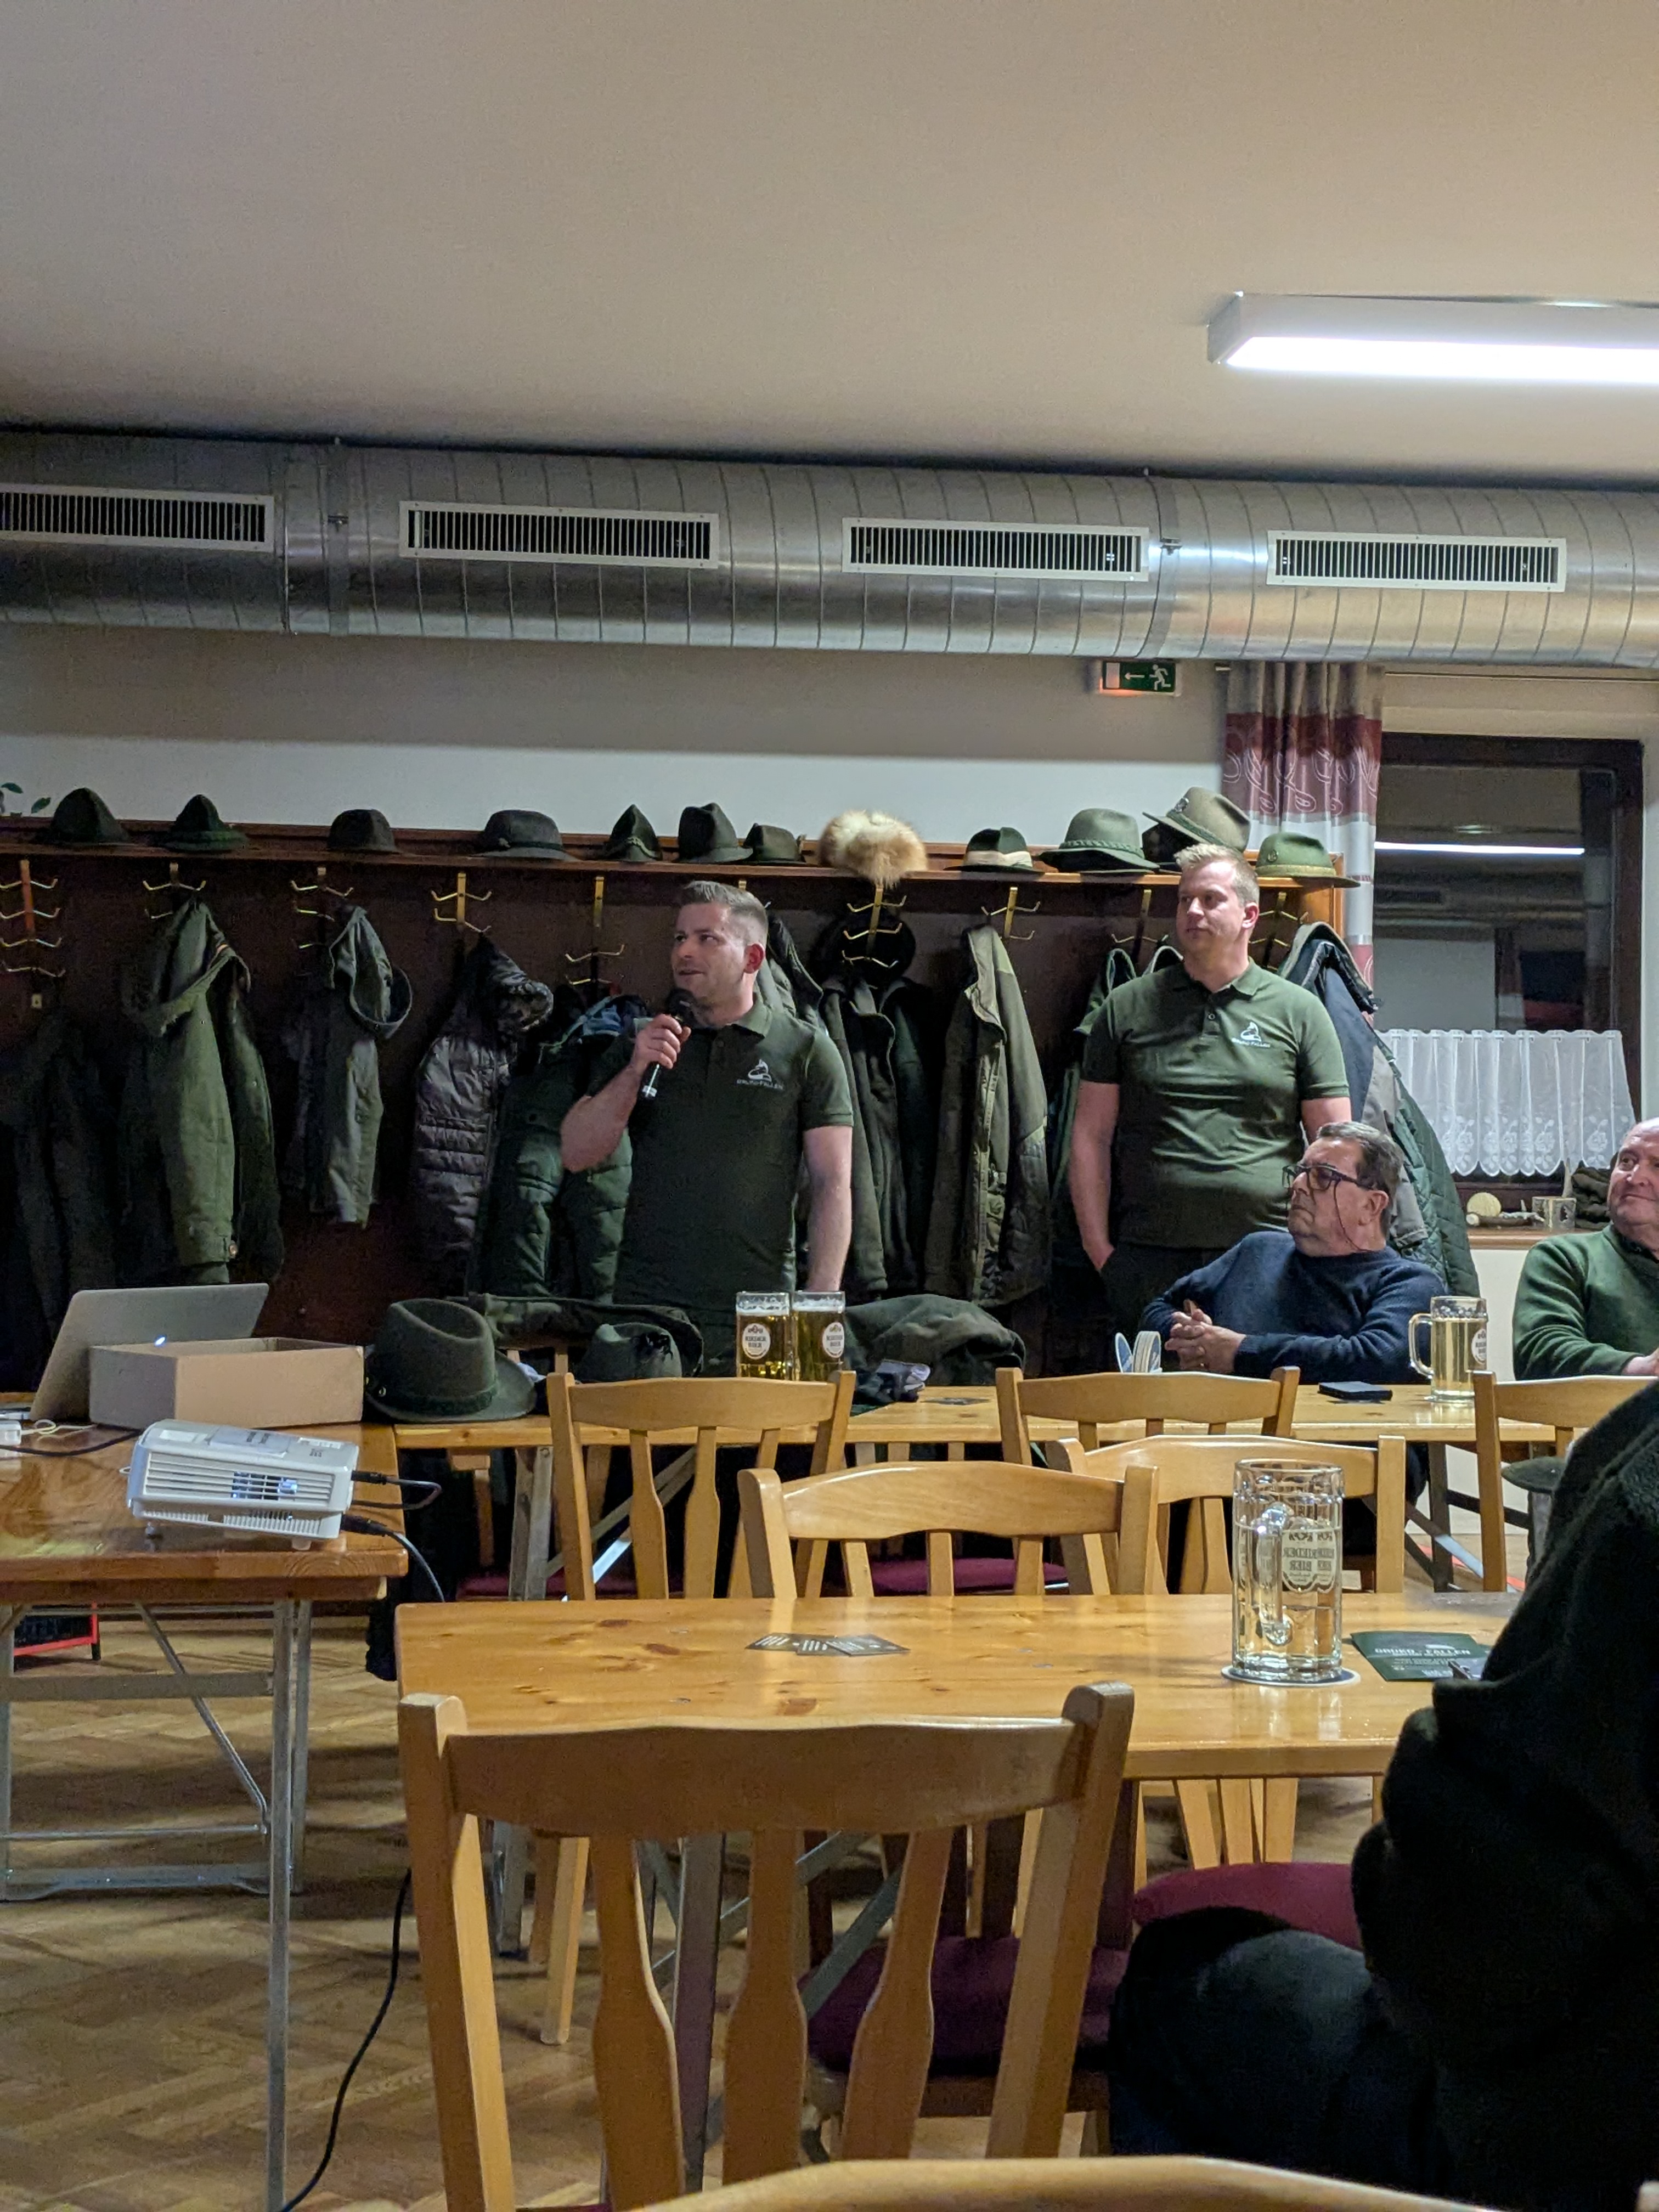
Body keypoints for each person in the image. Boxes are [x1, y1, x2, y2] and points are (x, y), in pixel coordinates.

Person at [1105, 1382, 1659, 2210]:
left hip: (1571, 2142)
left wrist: (1406, 1831)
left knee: (1176, 1977)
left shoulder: (1639, 1505)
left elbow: (1464, 1953)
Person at [560, 881, 853, 1366]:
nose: (685, 952)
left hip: (759, 1311)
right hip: (647, 1309)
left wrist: (818, 1308)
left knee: (758, 1421)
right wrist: (633, 1072)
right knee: (639, 1419)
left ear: (753, 958)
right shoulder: (643, 1043)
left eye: (707, 938)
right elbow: (576, 1153)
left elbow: (832, 1183)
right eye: (679, 938)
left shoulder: (806, 1051)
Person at [1068, 842, 1353, 1340]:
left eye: (1210, 899)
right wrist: (1101, 1252)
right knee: (1149, 1391)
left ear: (1249, 916)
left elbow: (1336, 1147)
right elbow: (1090, 1136)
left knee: (1257, 1386)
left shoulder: (1299, 1012)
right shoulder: (1126, 1007)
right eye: (1184, 900)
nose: (1193, 911)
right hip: (1148, 1258)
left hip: (1266, 1256)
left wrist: (1328, 1252)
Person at [1141, 1122, 1444, 1383]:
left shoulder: (1408, 1282)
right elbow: (1157, 1310)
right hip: (1223, 1427)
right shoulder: (1258, 1250)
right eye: (1300, 1173)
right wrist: (1189, 1338)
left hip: (1333, 1432)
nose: (1298, 1185)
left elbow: (1378, 1359)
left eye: (1323, 1176)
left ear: (1372, 1205)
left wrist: (1241, 1352)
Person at [1514, 1115, 1659, 1376]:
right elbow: (1540, 1354)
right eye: (1627, 1161)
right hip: (1605, 1406)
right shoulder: (1565, 1258)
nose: (1635, 1177)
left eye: (1658, 1166)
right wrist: (1644, 1369)